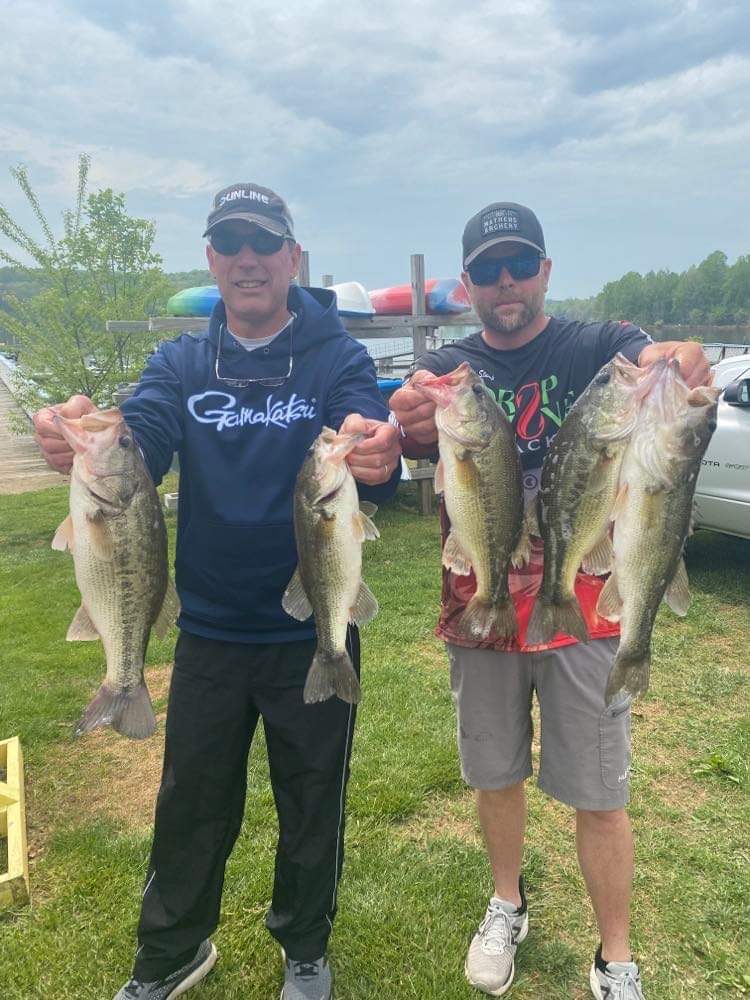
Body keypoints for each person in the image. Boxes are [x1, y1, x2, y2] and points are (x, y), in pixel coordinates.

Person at [33, 182, 402, 1000]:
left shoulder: (335, 355)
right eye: (230, 243)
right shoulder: (180, 362)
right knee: (190, 806)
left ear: (292, 258)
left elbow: (365, 430)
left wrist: (378, 448)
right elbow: (144, 434)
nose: (248, 259)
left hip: (312, 630)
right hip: (208, 630)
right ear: (211, 258)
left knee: (313, 803)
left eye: (264, 243)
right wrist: (86, 435)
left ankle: (306, 949)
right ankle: (171, 951)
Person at [389, 201, 710, 999]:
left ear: (546, 272)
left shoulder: (599, 348)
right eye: (488, 270)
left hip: (586, 613)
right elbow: (409, 418)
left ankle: (616, 956)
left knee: (600, 790)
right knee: (495, 773)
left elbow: (655, 357)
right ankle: (507, 903)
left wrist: (678, 360)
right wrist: (406, 417)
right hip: (483, 605)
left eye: (520, 265)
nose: (506, 282)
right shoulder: (454, 366)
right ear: (467, 284)